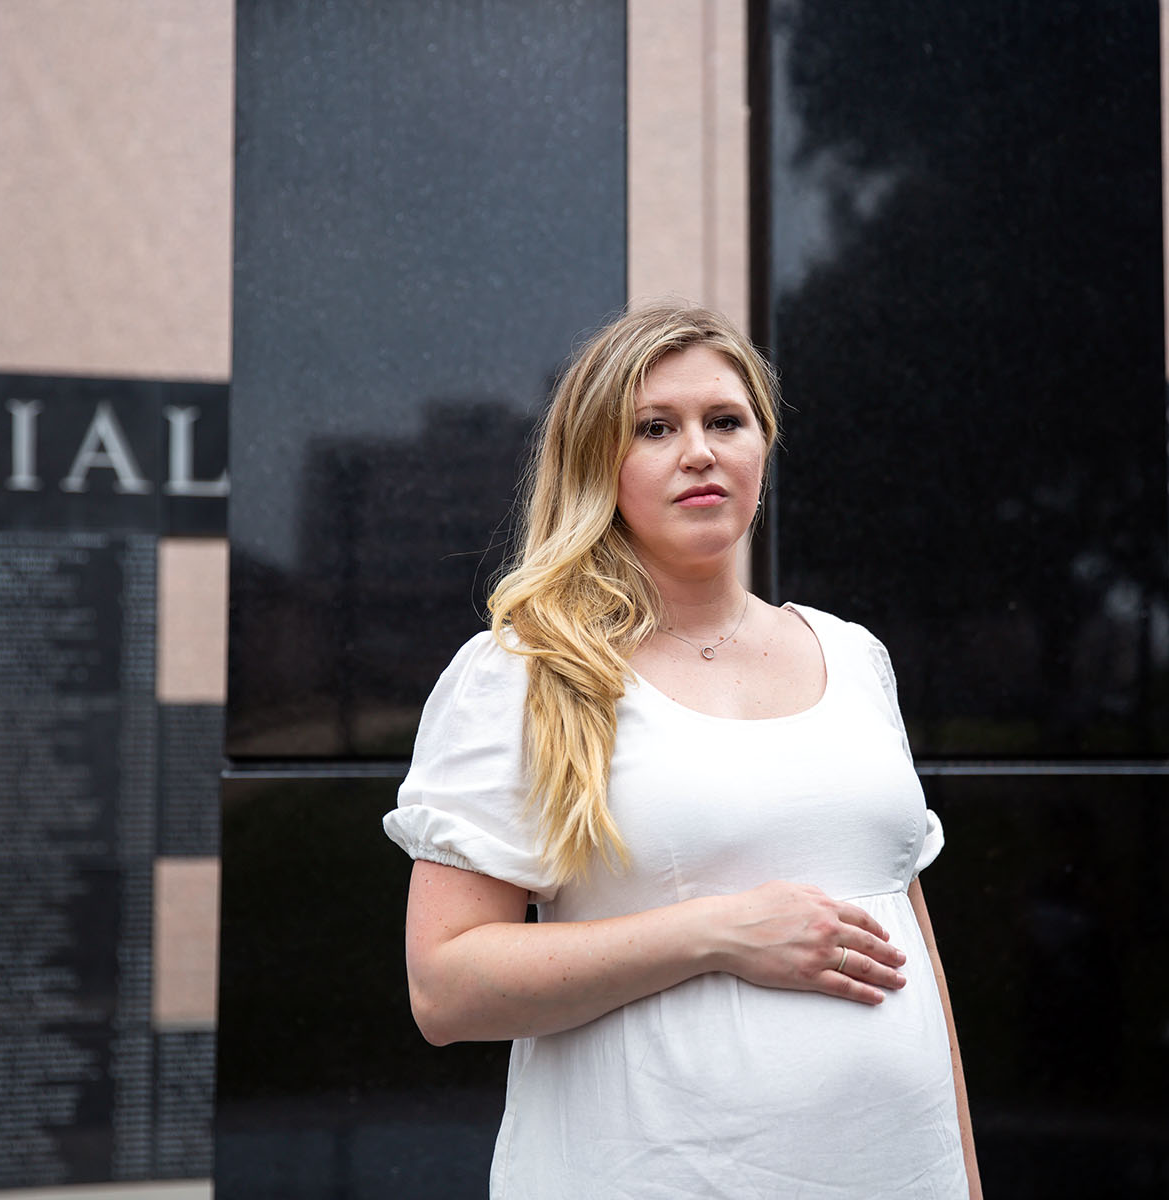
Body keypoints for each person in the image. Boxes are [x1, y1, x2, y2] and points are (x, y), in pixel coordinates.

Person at [384, 303, 982, 1198]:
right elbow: (446, 988)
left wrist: (965, 1177)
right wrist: (715, 933)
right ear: (598, 463)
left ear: (762, 448)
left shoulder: (853, 656)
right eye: (654, 428)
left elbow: (913, 943)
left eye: (725, 421)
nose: (698, 451)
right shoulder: (525, 673)